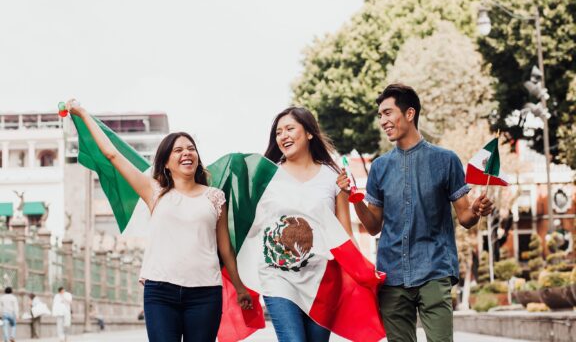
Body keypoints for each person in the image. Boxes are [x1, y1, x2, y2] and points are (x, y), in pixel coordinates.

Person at [66, 99, 252, 342]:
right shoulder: (153, 191)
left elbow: (225, 248)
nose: (186, 153)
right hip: (160, 292)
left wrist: (239, 287)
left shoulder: (215, 197)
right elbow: (111, 154)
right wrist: (82, 113)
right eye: (178, 150)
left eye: (191, 148)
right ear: (165, 162)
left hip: (205, 293)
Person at [337, 84, 494, 342]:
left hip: (434, 270)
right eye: (380, 116)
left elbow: (465, 217)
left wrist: (477, 210)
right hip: (392, 276)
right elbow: (374, 226)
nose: (383, 121)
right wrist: (354, 197)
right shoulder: (380, 167)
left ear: (410, 114)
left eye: (388, 113)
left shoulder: (446, 160)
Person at [261, 107, 354, 342]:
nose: (283, 136)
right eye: (278, 132)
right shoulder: (267, 176)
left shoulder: (333, 177)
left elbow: (345, 232)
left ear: (309, 133)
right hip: (278, 277)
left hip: (322, 280)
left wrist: (359, 272)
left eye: (290, 128)